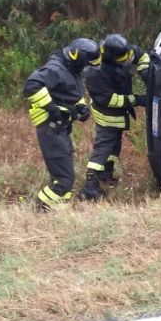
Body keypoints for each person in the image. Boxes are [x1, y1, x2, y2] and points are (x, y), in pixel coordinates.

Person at [23, 38, 99, 211]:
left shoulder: (71, 69)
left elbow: (69, 92)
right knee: (65, 179)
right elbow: (31, 86)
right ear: (77, 57)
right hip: (51, 127)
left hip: (60, 128)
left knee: (61, 176)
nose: (86, 68)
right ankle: (40, 210)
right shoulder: (56, 68)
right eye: (85, 64)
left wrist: (81, 106)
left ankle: (55, 211)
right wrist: (51, 108)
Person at [81, 34, 150, 200]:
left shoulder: (122, 48)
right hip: (107, 116)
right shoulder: (95, 71)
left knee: (114, 147)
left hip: (120, 114)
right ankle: (89, 187)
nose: (127, 62)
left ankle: (106, 174)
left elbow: (142, 55)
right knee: (103, 148)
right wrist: (136, 99)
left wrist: (145, 71)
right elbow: (108, 99)